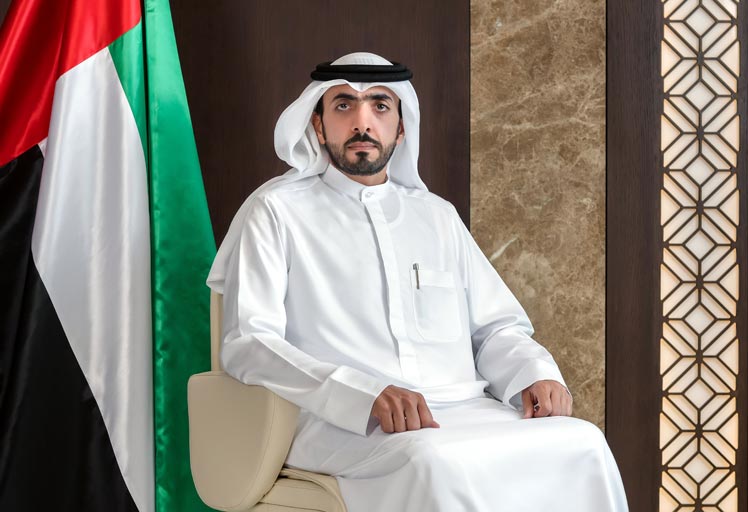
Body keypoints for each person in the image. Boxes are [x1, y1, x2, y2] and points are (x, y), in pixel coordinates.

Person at [208, 52, 628, 511]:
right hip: (341, 424)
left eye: (380, 106)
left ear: (402, 127)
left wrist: (536, 373)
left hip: (467, 410)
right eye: (344, 105)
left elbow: (494, 329)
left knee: (583, 442)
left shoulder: (437, 216)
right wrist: (363, 395)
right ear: (319, 126)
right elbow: (249, 343)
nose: (362, 122)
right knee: (432, 461)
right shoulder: (277, 212)